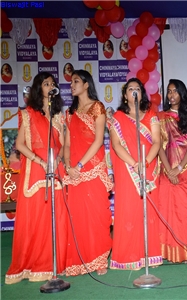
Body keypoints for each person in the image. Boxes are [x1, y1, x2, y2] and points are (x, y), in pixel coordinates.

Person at [5, 72, 67, 284]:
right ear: (38, 88)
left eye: (52, 83)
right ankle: (31, 265)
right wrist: (40, 161)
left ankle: (53, 263)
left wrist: (57, 159)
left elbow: (62, 146)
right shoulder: (29, 113)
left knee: (55, 217)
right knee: (36, 217)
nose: (50, 86)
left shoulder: (58, 116)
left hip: (55, 169)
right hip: (36, 169)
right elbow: (21, 144)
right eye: (46, 83)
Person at [108, 78, 163, 270]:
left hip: (148, 167)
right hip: (127, 169)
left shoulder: (151, 115)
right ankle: (128, 256)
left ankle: (150, 255)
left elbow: (156, 141)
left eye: (137, 89)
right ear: (124, 95)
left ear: (142, 93)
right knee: (129, 209)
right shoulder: (117, 118)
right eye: (130, 89)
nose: (134, 91)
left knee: (147, 212)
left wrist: (145, 162)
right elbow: (115, 145)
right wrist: (134, 163)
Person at [63, 70, 113, 276]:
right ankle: (79, 260)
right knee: (78, 217)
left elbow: (98, 139)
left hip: (91, 169)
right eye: (71, 81)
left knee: (96, 215)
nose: (71, 85)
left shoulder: (97, 107)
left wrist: (80, 166)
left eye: (76, 81)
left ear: (86, 85)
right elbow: (66, 144)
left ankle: (99, 259)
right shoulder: (70, 113)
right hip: (73, 171)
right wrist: (68, 166)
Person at [158, 79, 187, 263]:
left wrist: (179, 169)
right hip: (166, 171)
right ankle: (166, 251)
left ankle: (185, 250)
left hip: (186, 171)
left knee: (185, 213)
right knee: (167, 211)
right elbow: (158, 146)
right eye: (169, 91)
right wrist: (169, 170)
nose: (171, 94)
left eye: (175, 91)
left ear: (182, 94)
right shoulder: (160, 117)